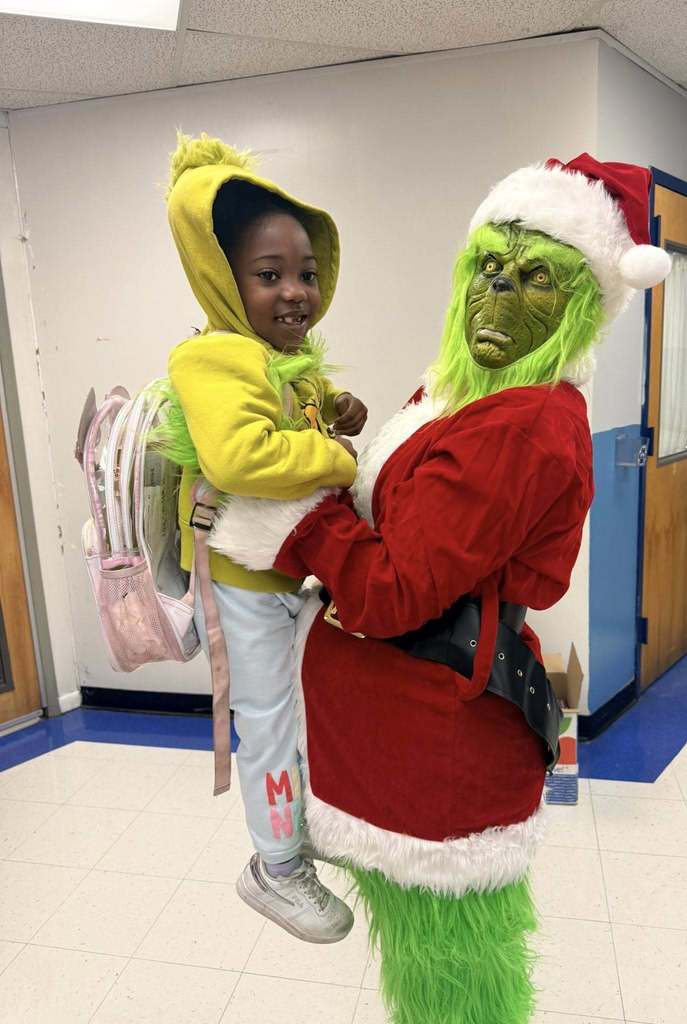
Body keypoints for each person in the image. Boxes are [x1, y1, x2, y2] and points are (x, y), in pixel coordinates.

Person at [208, 154, 671, 1021]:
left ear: (580, 303)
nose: (497, 299)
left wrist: (294, 521)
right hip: (399, 742)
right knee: (430, 975)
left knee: (454, 985)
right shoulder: (463, 392)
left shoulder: (527, 423)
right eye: (488, 270)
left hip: (439, 756)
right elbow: (403, 516)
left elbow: (391, 591)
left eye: (535, 279)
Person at [162, 133, 367, 944]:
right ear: (224, 278)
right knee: (271, 721)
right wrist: (338, 455)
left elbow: (293, 421)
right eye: (269, 275)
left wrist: (336, 410)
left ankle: (296, 833)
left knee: (304, 711)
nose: (295, 293)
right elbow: (242, 455)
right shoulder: (212, 357)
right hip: (245, 584)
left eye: (306, 273)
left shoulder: (281, 360)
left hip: (288, 577)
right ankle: (273, 870)